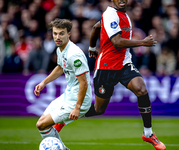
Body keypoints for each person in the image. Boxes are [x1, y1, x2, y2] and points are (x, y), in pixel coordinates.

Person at [54, 1, 166, 150]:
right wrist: (142, 43)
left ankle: (148, 133)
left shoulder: (124, 15)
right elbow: (117, 42)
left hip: (124, 64)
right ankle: (64, 117)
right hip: (106, 68)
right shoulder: (110, 14)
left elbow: (96, 28)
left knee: (142, 90)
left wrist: (92, 47)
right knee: (99, 110)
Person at [35, 18, 92, 150]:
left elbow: (84, 83)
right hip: (68, 95)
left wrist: (77, 108)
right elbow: (60, 67)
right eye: (55, 33)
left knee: (42, 124)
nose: (57, 37)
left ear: (69, 34)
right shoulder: (60, 49)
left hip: (79, 100)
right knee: (42, 125)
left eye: (61, 33)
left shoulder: (74, 54)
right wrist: (44, 82)